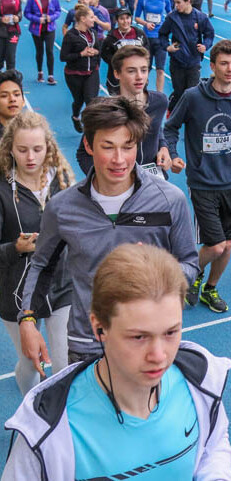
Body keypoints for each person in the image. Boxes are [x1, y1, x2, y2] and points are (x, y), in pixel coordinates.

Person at [4, 244, 231, 480]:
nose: (159, 356)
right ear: (99, 327)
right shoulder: (47, 427)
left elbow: (214, 445)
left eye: (171, 332)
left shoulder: (200, 381)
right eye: (139, 337)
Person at [19, 96, 198, 368]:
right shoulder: (62, 208)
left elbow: (190, 264)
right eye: (108, 147)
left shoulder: (170, 200)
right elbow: (42, 265)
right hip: (87, 343)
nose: (119, 159)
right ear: (89, 145)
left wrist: (159, 270)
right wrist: (28, 319)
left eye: (128, 147)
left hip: (149, 341)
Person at [164, 39, 231, 313]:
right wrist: (173, 154)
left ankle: (209, 288)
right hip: (202, 182)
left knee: (227, 245)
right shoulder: (193, 97)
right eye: (224, 64)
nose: (230, 69)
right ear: (213, 66)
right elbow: (170, 128)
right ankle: (183, 274)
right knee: (216, 246)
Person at [0, 112, 74, 395]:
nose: (31, 157)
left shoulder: (62, 179)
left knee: (65, 362)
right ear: (10, 148)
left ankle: (60, 414)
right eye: (22, 150)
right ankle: (29, 409)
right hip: (16, 291)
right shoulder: (2, 189)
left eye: (37, 149)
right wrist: (15, 248)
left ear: (48, 147)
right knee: (32, 364)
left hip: (61, 284)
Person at [76, 45, 171, 178]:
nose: (139, 77)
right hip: (120, 181)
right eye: (131, 71)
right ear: (117, 73)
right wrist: (104, 180)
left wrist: (164, 148)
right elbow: (83, 154)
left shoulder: (160, 101)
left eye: (144, 70)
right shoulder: (105, 110)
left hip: (154, 180)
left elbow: (157, 129)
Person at [157, 0, 215, 112]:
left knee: (192, 93)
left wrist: (205, 45)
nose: (176, 5)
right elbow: (162, 34)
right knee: (179, 92)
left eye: (179, 2)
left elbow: (210, 34)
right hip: (177, 61)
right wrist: (167, 47)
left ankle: (189, 118)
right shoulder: (172, 17)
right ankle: (172, 112)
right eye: (175, 2)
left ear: (188, 1)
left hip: (194, 61)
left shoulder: (200, 17)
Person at [60, 4, 102, 133]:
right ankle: (75, 116)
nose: (94, 19)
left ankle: (91, 130)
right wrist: (81, 54)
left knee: (91, 101)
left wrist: (95, 52)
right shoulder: (70, 35)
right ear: (83, 19)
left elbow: (99, 50)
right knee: (79, 100)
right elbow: (63, 57)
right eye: (91, 17)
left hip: (92, 72)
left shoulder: (94, 33)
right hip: (74, 74)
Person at [134, 0, 172, 92]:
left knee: (160, 70)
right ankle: (143, 92)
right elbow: (136, 18)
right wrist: (146, 23)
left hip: (161, 38)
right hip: (147, 38)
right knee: (146, 68)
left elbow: (170, 14)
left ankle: (160, 94)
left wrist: (167, 27)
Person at [101, 8, 149, 94]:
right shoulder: (111, 38)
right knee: (118, 101)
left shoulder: (140, 34)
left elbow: (147, 52)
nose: (125, 21)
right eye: (122, 19)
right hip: (117, 79)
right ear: (117, 20)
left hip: (137, 78)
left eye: (127, 18)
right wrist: (119, 63)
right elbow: (105, 54)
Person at [23, 0, 60, 85]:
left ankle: (51, 75)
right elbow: (27, 13)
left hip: (50, 28)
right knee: (39, 51)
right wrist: (37, 19)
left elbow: (58, 11)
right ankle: (40, 72)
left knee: (50, 51)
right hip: (37, 29)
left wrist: (51, 17)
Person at [0, 0, 22, 72]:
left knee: (11, 57)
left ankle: (11, 77)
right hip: (1, 31)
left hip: (13, 30)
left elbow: (20, 11)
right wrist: (1, 20)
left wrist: (18, 17)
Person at [0, 70, 25, 137]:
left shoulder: (33, 131)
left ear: (23, 101)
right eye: (4, 96)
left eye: (16, 94)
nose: (12, 99)